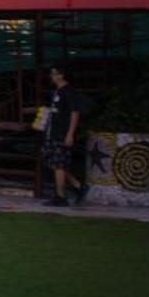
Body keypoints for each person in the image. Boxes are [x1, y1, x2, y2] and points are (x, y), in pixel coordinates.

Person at [37, 62, 90, 207]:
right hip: (52, 132)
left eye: (54, 73)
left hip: (62, 132)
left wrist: (70, 134)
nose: (52, 76)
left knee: (59, 163)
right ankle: (78, 186)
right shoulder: (57, 92)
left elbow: (75, 112)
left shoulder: (69, 91)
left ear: (61, 75)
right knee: (54, 163)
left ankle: (61, 196)